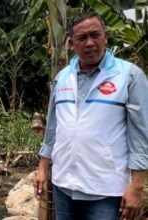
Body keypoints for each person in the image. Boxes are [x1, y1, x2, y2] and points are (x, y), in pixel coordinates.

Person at [33, 11, 148, 220]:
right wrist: (42, 168)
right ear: (71, 42)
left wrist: (137, 187)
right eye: (81, 38)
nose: (89, 43)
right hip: (63, 185)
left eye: (95, 35)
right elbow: (52, 129)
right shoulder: (62, 78)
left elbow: (141, 135)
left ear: (106, 36)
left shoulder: (129, 76)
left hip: (104, 190)